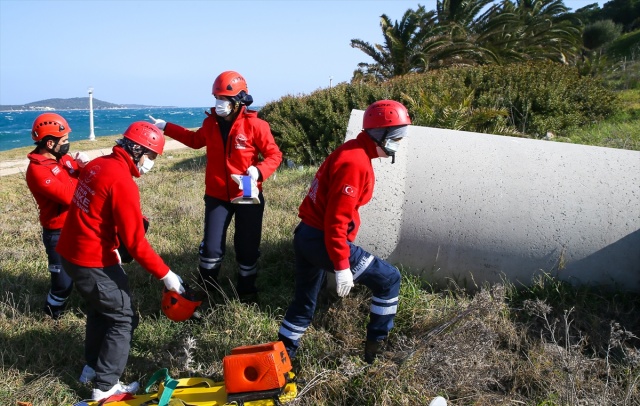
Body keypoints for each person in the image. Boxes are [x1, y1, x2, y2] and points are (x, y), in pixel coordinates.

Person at [56, 121, 185, 401]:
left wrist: (112, 243)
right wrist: (166, 275)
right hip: (91, 260)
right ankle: (105, 387)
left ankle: (92, 367)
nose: (151, 163)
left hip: (70, 252)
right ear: (137, 149)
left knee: (100, 309)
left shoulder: (99, 164)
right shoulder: (122, 181)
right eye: (150, 156)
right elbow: (137, 244)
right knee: (123, 317)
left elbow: (94, 211)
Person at [277, 100, 411, 364]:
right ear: (380, 134)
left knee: (304, 304)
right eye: (397, 135)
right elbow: (335, 222)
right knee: (389, 280)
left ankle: (282, 359)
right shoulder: (355, 162)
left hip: (306, 236)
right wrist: (341, 266)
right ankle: (375, 352)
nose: (399, 141)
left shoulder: (353, 150)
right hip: (323, 240)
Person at [150, 70, 282, 298]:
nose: (219, 103)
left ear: (239, 100)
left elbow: (274, 155)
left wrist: (259, 171)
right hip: (217, 195)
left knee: (247, 248)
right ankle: (206, 290)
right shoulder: (210, 123)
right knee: (211, 248)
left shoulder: (256, 126)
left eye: (224, 99)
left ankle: (246, 293)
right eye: (217, 98)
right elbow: (194, 140)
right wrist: (167, 127)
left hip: (248, 195)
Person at [26, 113, 90, 319]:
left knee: (89, 272)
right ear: (50, 142)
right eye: (64, 141)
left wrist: (83, 166)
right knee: (62, 283)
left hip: (78, 226)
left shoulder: (62, 159)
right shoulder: (37, 171)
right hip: (57, 233)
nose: (67, 144)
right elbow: (70, 197)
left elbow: (83, 176)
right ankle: (51, 316)